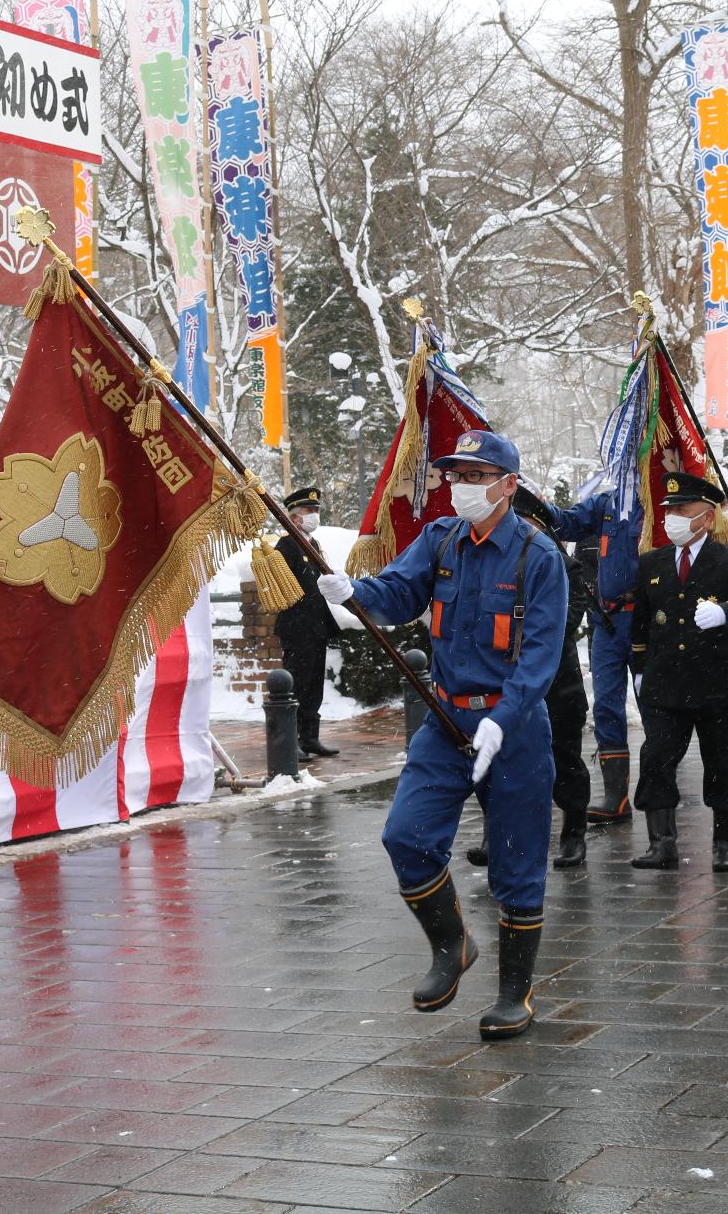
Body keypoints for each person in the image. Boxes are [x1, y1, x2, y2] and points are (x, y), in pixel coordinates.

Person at [316, 430, 566, 1041]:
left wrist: (501, 722)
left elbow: (539, 659)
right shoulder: (442, 539)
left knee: (517, 864)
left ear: (509, 485)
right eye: (458, 475)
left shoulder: (539, 558)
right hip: (446, 720)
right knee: (407, 834)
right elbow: (399, 594)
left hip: (513, 728)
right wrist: (356, 594)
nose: (464, 487)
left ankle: (515, 994)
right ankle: (452, 945)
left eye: (479, 477)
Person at [628, 473, 728, 873]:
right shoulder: (651, 562)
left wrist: (726, 612)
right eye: (669, 511)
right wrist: (638, 669)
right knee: (656, 757)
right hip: (666, 681)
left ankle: (724, 843)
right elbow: (641, 625)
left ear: (707, 515)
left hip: (716, 679)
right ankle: (661, 843)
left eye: (682, 510)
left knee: (722, 761)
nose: (672, 518)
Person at [469, 487, 592, 870]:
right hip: (499, 685)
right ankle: (496, 834)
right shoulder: (489, 564)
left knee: (564, 761)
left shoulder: (563, 567)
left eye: (524, 522)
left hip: (554, 686)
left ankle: (574, 830)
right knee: (493, 761)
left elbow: (559, 627)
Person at [551, 486, 644, 823]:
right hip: (606, 621)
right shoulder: (607, 501)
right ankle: (616, 797)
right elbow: (566, 523)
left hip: (647, 619)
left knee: (654, 706)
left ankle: (657, 793)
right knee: (606, 705)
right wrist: (533, 502)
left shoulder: (658, 498)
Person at [274, 489, 353, 758]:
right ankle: (290, 739)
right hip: (296, 626)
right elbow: (282, 587)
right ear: (294, 517)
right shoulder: (285, 546)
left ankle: (310, 737)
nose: (314, 516)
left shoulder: (314, 544)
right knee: (296, 683)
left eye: (316, 510)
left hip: (316, 625)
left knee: (314, 684)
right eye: (309, 511)